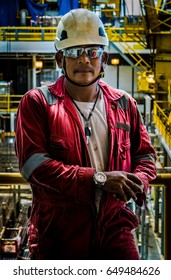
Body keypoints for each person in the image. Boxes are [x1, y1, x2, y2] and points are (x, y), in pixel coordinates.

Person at [15, 8, 157, 260]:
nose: (84, 60)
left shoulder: (124, 104)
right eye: (73, 52)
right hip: (58, 233)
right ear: (60, 60)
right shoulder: (37, 103)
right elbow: (33, 166)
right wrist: (99, 179)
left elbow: (145, 157)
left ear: (103, 59)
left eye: (92, 52)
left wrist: (137, 183)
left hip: (115, 228)